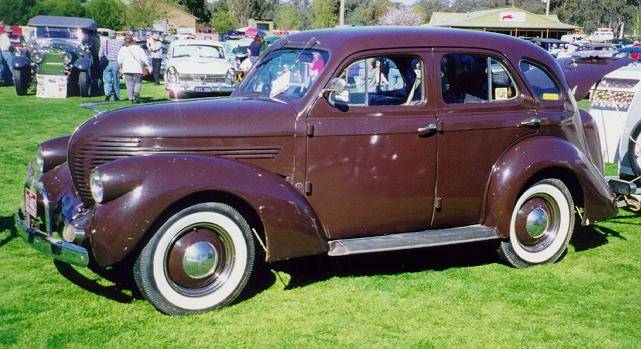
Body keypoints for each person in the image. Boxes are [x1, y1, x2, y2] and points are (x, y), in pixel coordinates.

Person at [117, 35, 150, 103]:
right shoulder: (139, 48)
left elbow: (119, 60)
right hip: (137, 68)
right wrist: (148, 65)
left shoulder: (123, 49)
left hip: (127, 68)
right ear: (133, 41)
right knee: (138, 82)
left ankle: (131, 98)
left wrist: (120, 66)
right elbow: (144, 58)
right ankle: (136, 92)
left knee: (129, 84)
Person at [99, 31, 123, 101]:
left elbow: (100, 54)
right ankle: (117, 96)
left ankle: (107, 93)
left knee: (107, 80)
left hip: (106, 63)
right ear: (115, 36)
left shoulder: (104, 43)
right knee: (116, 81)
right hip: (116, 62)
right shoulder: (119, 43)